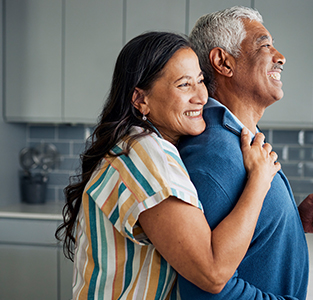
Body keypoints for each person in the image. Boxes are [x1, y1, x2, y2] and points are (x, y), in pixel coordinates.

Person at [55, 31, 281, 299]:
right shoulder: (146, 155)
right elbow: (213, 272)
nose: (201, 97)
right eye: (184, 85)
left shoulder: (140, 146)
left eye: (200, 81)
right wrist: (259, 180)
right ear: (141, 100)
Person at [177, 6, 313, 300]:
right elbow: (205, 291)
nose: (281, 56)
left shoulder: (239, 139)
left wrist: (290, 221)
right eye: (264, 45)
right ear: (223, 62)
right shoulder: (214, 155)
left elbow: (240, 234)